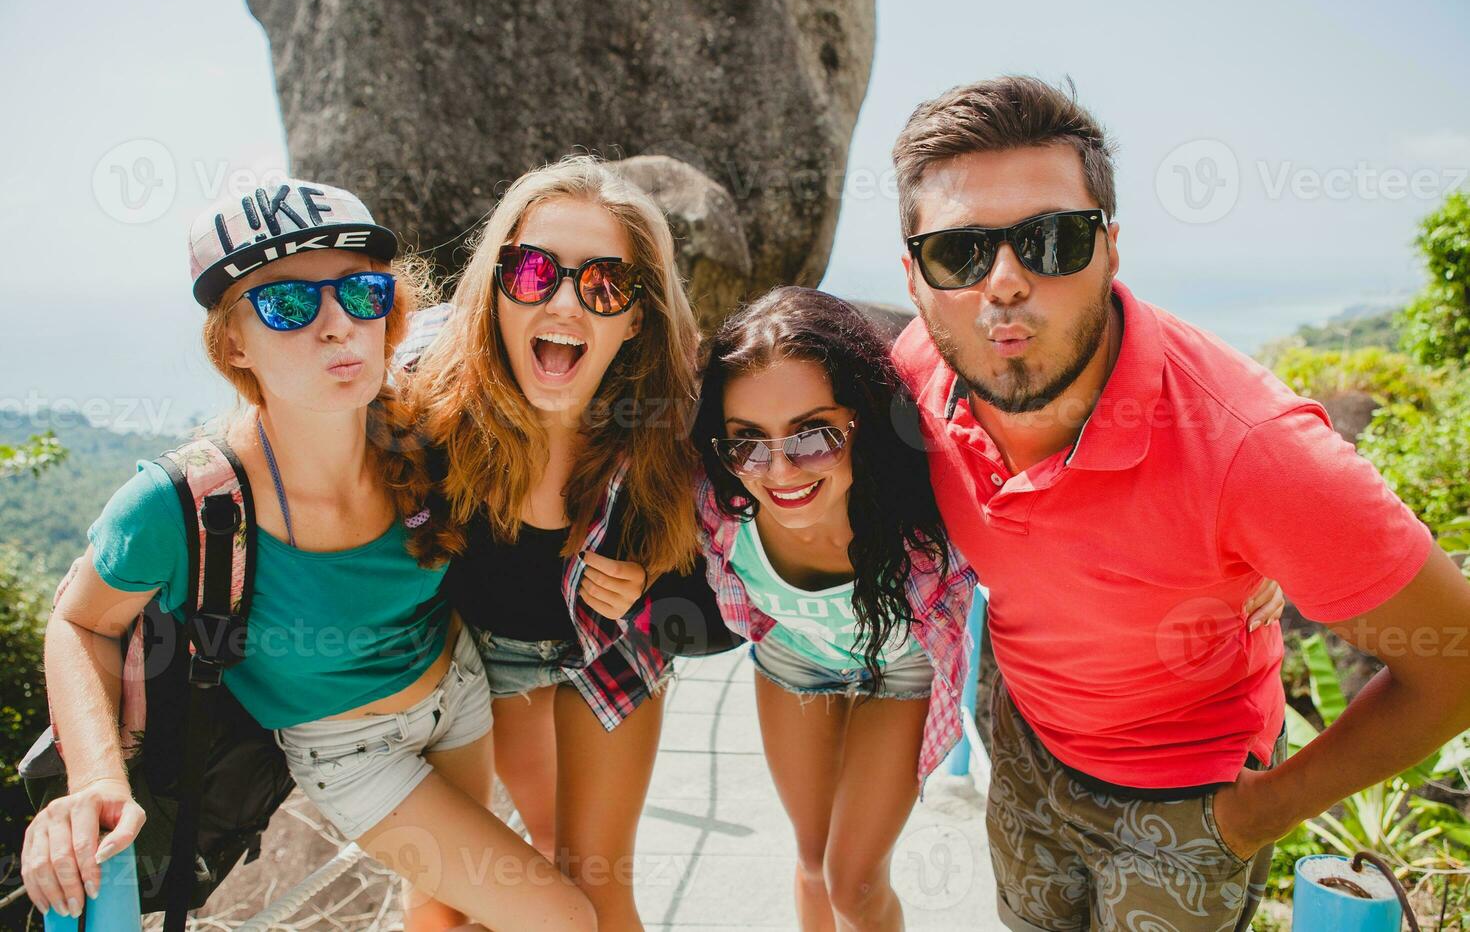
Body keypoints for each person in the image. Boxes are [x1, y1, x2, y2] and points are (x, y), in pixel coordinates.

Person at [888, 74, 1470, 931]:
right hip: (1025, 739)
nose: (1004, 282)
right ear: (913, 278)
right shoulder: (917, 375)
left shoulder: (1256, 450)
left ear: (1112, 249)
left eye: (1052, 239)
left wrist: (1255, 815)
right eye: (958, 253)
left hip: (1189, 797)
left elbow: (1453, 660)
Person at [20, 180, 595, 932]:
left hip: (458, 691)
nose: (336, 326)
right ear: (232, 342)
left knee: (450, 911)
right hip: (349, 749)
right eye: (288, 305)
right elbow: (79, 624)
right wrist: (97, 777)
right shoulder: (184, 502)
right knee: (562, 918)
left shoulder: (425, 429)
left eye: (361, 294)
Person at [691, 286, 1288, 931]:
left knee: (853, 883)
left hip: (900, 670)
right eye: (747, 441)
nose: (780, 469)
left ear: (861, 418)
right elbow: (610, 478)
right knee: (811, 863)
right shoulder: (718, 504)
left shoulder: (925, 503)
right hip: (793, 662)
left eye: (813, 437)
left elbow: (1070, 506)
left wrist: (1268, 554)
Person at [399, 154, 705, 931]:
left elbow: (733, 590)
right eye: (533, 271)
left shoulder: (672, 424)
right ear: (494, 291)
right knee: (455, 903)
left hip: (607, 648)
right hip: (476, 654)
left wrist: (653, 590)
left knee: (597, 887)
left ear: (636, 316)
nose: (566, 299)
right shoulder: (425, 401)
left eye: (604, 283)